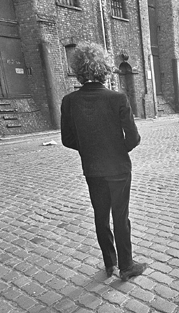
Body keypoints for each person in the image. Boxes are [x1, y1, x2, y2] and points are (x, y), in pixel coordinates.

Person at [61, 42, 148, 281]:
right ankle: (127, 266)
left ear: (78, 70)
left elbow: (67, 139)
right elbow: (133, 137)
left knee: (101, 216)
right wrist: (118, 150)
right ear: (105, 69)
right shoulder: (117, 98)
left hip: (92, 169)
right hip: (118, 167)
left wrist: (90, 148)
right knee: (121, 216)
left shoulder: (69, 101)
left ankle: (110, 264)